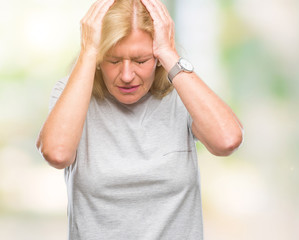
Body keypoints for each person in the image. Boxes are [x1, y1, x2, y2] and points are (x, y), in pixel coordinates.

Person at [36, 0, 243, 239]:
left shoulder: (182, 93)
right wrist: (89, 51)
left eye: (140, 60)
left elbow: (227, 140)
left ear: (156, 58)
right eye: (113, 60)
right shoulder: (71, 94)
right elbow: (57, 153)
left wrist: (169, 53)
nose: (126, 76)